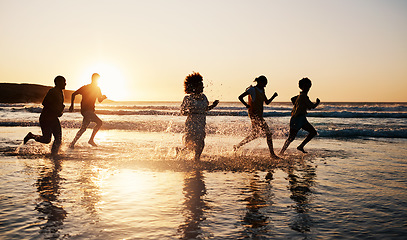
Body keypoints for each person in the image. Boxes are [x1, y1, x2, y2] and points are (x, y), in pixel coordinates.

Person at [234, 75, 279, 159]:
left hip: (259, 116)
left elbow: (267, 102)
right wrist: (246, 105)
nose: (265, 85)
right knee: (268, 134)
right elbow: (240, 97)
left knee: (255, 135)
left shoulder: (262, 90)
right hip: (254, 116)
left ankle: (237, 146)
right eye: (264, 83)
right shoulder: (252, 90)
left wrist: (274, 96)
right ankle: (272, 154)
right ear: (260, 82)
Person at [178, 72, 219, 161]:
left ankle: (196, 159)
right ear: (194, 86)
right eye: (201, 85)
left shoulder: (204, 97)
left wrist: (213, 105)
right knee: (191, 143)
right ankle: (181, 152)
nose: (203, 87)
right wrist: (191, 113)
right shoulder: (188, 98)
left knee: (201, 142)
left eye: (202, 85)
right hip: (191, 122)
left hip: (201, 122)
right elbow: (182, 111)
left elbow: (205, 109)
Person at [24, 76, 66, 156]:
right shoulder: (52, 91)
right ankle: (31, 136)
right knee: (47, 140)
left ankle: (54, 155)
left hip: (54, 118)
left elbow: (59, 107)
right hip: (46, 118)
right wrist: (55, 109)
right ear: (58, 83)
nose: (65, 84)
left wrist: (60, 110)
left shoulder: (61, 93)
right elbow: (44, 103)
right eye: (63, 82)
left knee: (58, 139)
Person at [279, 77, 320, 155]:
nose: (308, 88)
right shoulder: (303, 96)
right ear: (302, 87)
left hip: (301, 118)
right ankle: (282, 152)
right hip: (297, 119)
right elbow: (311, 106)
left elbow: (293, 99)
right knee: (291, 138)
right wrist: (317, 103)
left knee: (313, 132)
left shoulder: (300, 95)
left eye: (309, 86)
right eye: (306, 86)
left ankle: (300, 146)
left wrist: (299, 106)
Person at [69, 73, 107, 148]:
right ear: (93, 79)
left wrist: (103, 98)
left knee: (83, 129)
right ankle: (91, 140)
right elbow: (73, 94)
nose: (97, 81)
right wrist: (72, 105)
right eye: (96, 79)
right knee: (99, 122)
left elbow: (99, 100)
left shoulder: (97, 89)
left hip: (90, 111)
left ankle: (72, 143)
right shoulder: (85, 87)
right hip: (86, 110)